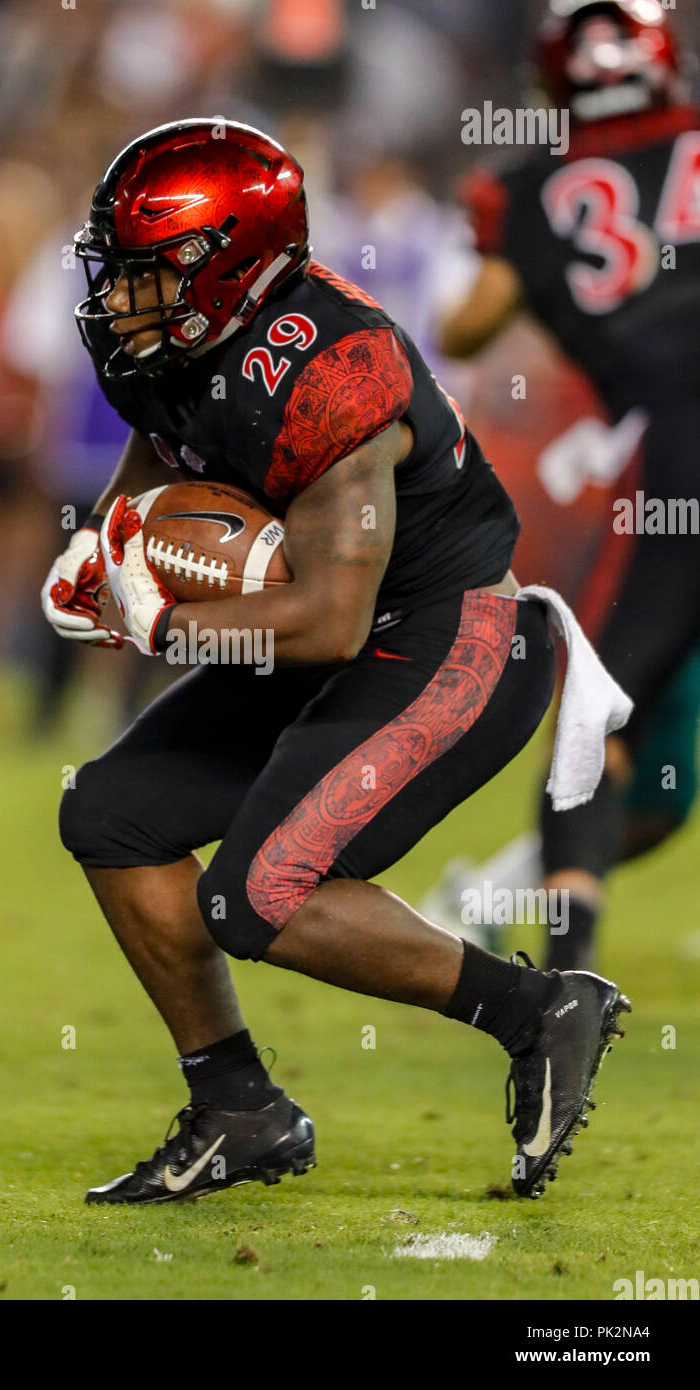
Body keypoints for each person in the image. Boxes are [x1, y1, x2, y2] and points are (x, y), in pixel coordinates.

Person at [43, 119, 629, 1205]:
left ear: (229, 267)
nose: (117, 299)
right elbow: (164, 460)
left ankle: (536, 1009)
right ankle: (238, 1107)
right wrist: (108, 545)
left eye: (146, 273)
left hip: (453, 640)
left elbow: (330, 623)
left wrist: (163, 623)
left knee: (259, 894)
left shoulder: (332, 369)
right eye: (113, 271)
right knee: (111, 811)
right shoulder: (161, 341)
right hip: (330, 636)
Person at [440, 0, 700, 970]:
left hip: (675, 449)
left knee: (596, 725)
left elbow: (468, 325)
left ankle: (568, 975)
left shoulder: (529, 190)